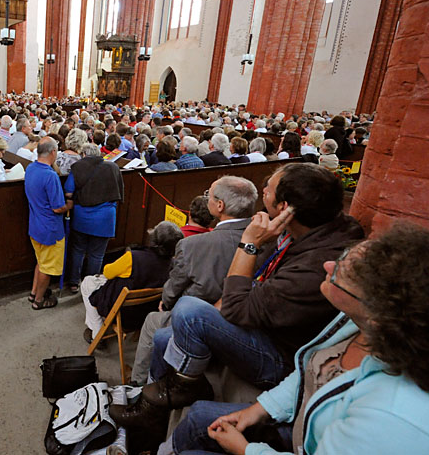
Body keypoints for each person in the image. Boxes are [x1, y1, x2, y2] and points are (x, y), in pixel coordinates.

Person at [167, 224, 429, 455]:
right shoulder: (356, 321)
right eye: (342, 258)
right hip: (302, 420)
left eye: (340, 273)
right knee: (198, 413)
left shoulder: (390, 419)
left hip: (300, 434)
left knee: (186, 314)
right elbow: (312, 369)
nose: (327, 265)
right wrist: (259, 409)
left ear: (378, 316)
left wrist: (247, 450)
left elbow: (236, 306)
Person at [128, 164, 365, 418]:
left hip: (279, 357)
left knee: (187, 311)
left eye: (269, 189)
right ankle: (152, 406)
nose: (263, 191)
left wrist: (250, 244)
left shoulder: (309, 263)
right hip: (265, 323)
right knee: (165, 337)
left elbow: (236, 307)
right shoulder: (317, 231)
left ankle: (180, 388)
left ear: (285, 208)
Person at [121, 178, 257, 388]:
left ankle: (139, 384)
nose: (207, 198)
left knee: (151, 321)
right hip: (240, 321)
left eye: (208, 195)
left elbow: (174, 287)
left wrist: (166, 303)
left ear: (219, 206)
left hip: (202, 319)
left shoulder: (193, 244)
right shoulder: (265, 238)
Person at [81, 222, 183, 344]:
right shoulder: (172, 265)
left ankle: (96, 331)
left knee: (88, 282)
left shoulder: (133, 257)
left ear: (154, 240)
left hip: (121, 312)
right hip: (145, 315)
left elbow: (107, 272)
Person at [64, 143, 123, 292]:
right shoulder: (113, 167)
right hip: (105, 217)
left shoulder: (78, 167)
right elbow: (120, 192)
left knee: (78, 250)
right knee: (97, 254)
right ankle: (90, 286)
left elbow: (68, 191)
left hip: (82, 216)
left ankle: (73, 283)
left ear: (83, 154)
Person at [24, 138, 73, 310]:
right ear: (53, 152)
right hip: (50, 230)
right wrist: (69, 205)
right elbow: (58, 207)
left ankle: (33, 293)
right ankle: (38, 301)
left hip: (35, 225)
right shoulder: (50, 175)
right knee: (47, 267)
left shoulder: (30, 168)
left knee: (41, 262)